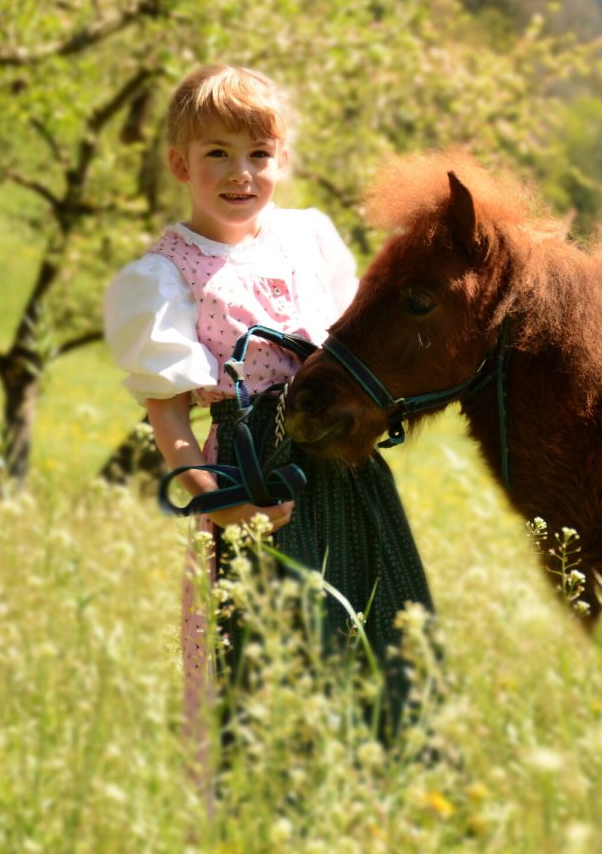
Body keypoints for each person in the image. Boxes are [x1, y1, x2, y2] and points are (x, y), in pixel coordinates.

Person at [103, 64, 434, 765]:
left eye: (258, 154)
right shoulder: (165, 277)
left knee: (378, 638)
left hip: (346, 472)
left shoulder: (309, 240)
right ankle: (265, 811)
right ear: (179, 163)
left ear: (280, 159)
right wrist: (217, 504)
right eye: (216, 153)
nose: (240, 173)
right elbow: (171, 422)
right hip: (254, 483)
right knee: (265, 660)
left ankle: (386, 793)